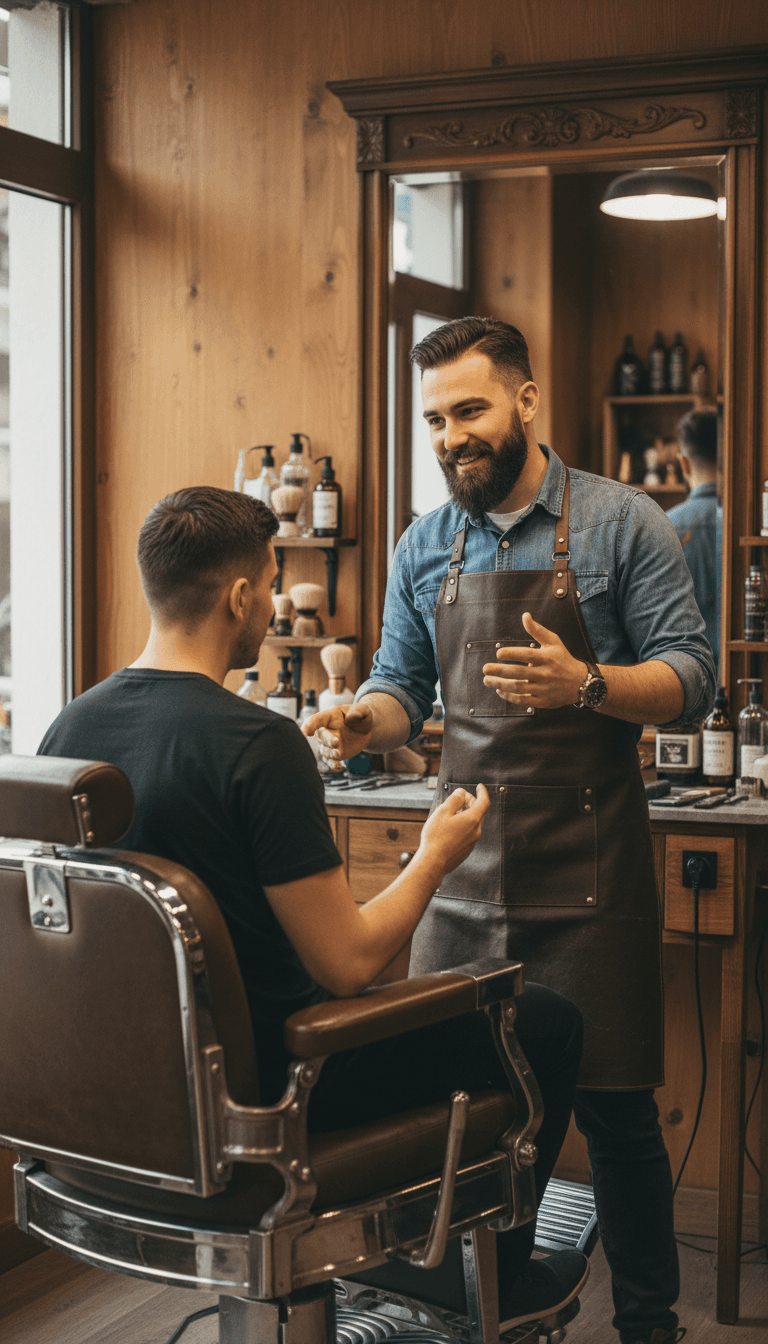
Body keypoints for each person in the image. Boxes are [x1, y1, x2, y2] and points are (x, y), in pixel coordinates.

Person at [38, 485, 587, 1332]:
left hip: (113, 1111)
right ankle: (494, 1287)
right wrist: (434, 857)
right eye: (266, 578)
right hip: (274, 1101)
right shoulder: (256, 745)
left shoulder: (70, 729)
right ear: (243, 597)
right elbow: (350, 964)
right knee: (541, 1019)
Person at [304, 318, 716, 1344]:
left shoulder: (624, 524)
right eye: (437, 418)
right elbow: (403, 688)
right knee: (466, 1115)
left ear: (526, 403)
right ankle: (491, 1313)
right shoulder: (423, 543)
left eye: (472, 411)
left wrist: (590, 686)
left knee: (620, 1118)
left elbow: (694, 681)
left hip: (593, 873)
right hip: (462, 871)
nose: (453, 436)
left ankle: (651, 1325)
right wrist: (365, 721)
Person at [666, 407, 720, 669]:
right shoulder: (754, 526)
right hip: (750, 678)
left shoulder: (663, 526)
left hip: (685, 681)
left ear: (683, 463)